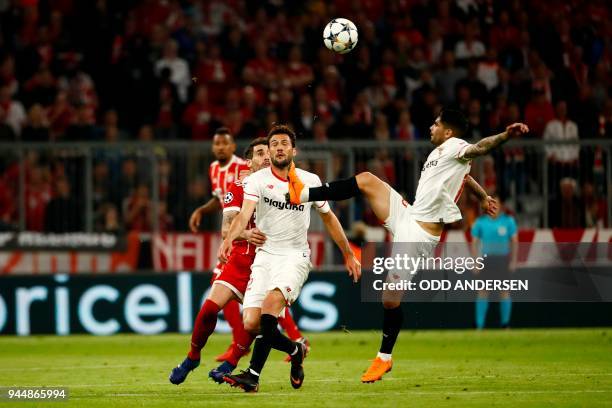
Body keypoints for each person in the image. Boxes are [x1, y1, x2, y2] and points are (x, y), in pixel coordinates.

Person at [286, 109, 529, 382]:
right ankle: (304, 193)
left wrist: (507, 135)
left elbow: (481, 147)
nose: (431, 126)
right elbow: (466, 176)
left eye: (436, 123)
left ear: (448, 132)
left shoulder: (458, 146)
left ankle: (384, 358)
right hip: (408, 215)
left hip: (419, 236)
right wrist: (483, 196)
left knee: (389, 299)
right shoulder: (445, 153)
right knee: (367, 179)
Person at [218, 124, 361, 392]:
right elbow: (243, 213)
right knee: (252, 322)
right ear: (269, 152)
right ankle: (295, 350)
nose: (280, 147)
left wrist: (349, 254)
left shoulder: (310, 181)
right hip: (265, 257)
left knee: (272, 304)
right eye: (274, 144)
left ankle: (252, 376)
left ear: (293, 150)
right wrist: (228, 239)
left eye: (285, 143)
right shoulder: (255, 181)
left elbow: (329, 218)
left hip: (294, 256)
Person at [190, 127, 307, 363]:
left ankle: (263, 345)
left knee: (265, 306)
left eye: (225, 143)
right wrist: (204, 211)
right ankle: (255, 346)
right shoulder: (215, 170)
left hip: (264, 249)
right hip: (239, 243)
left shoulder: (251, 171)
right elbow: (222, 200)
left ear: (234, 149)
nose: (221, 147)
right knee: (242, 302)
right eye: (217, 143)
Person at [169, 137, 270, 385]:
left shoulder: (284, 187)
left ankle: (231, 363)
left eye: (269, 153)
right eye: (260, 153)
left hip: (267, 262)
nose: (266, 157)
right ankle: (193, 356)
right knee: (209, 310)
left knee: (254, 322)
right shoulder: (237, 186)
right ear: (250, 162)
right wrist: (245, 233)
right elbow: (226, 228)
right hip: (238, 259)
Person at [471, 193, 518, 329]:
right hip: (486, 260)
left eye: (496, 203)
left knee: (504, 291)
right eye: (491, 204)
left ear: (501, 205)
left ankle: (505, 324)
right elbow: (474, 242)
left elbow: (514, 241)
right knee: (483, 291)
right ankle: (479, 326)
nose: (493, 206)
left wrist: (514, 260)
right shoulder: (480, 222)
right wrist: (475, 262)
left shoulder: (508, 221)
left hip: (502, 260)